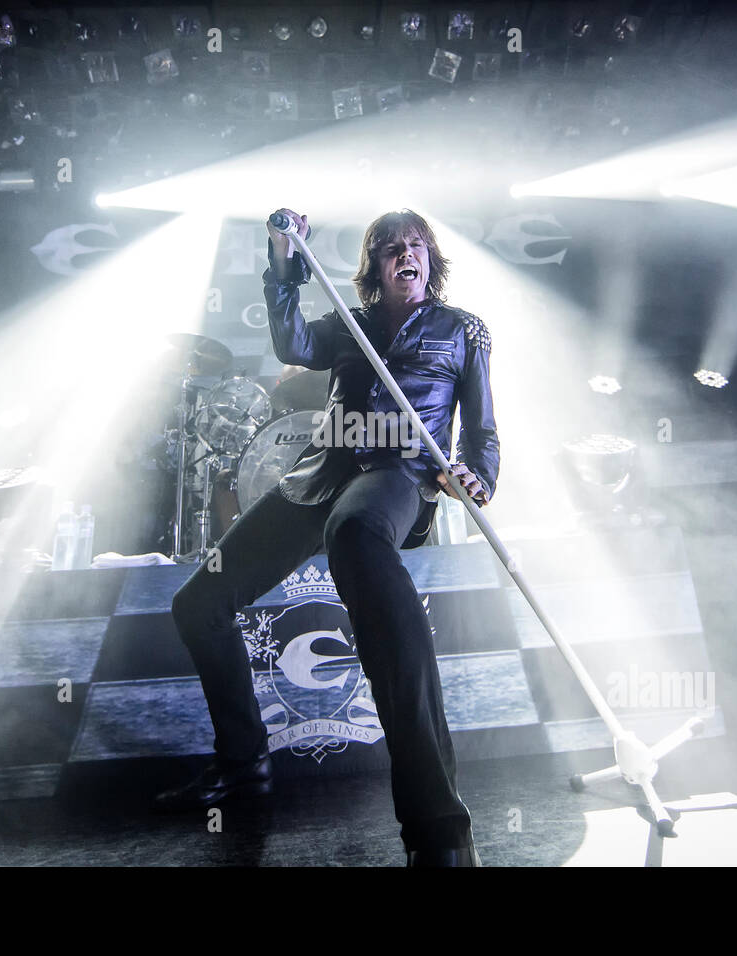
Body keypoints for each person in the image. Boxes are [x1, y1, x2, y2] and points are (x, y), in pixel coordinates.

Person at [155, 208, 499, 867]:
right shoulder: (352, 321)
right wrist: (284, 258)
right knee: (197, 605)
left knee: (355, 533)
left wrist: (475, 477)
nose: (407, 255)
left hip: (399, 474)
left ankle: (439, 828)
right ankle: (243, 766)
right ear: (375, 266)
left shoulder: (465, 330)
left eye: (417, 246)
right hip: (322, 473)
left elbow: (481, 435)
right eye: (393, 248)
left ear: (431, 260)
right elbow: (290, 344)